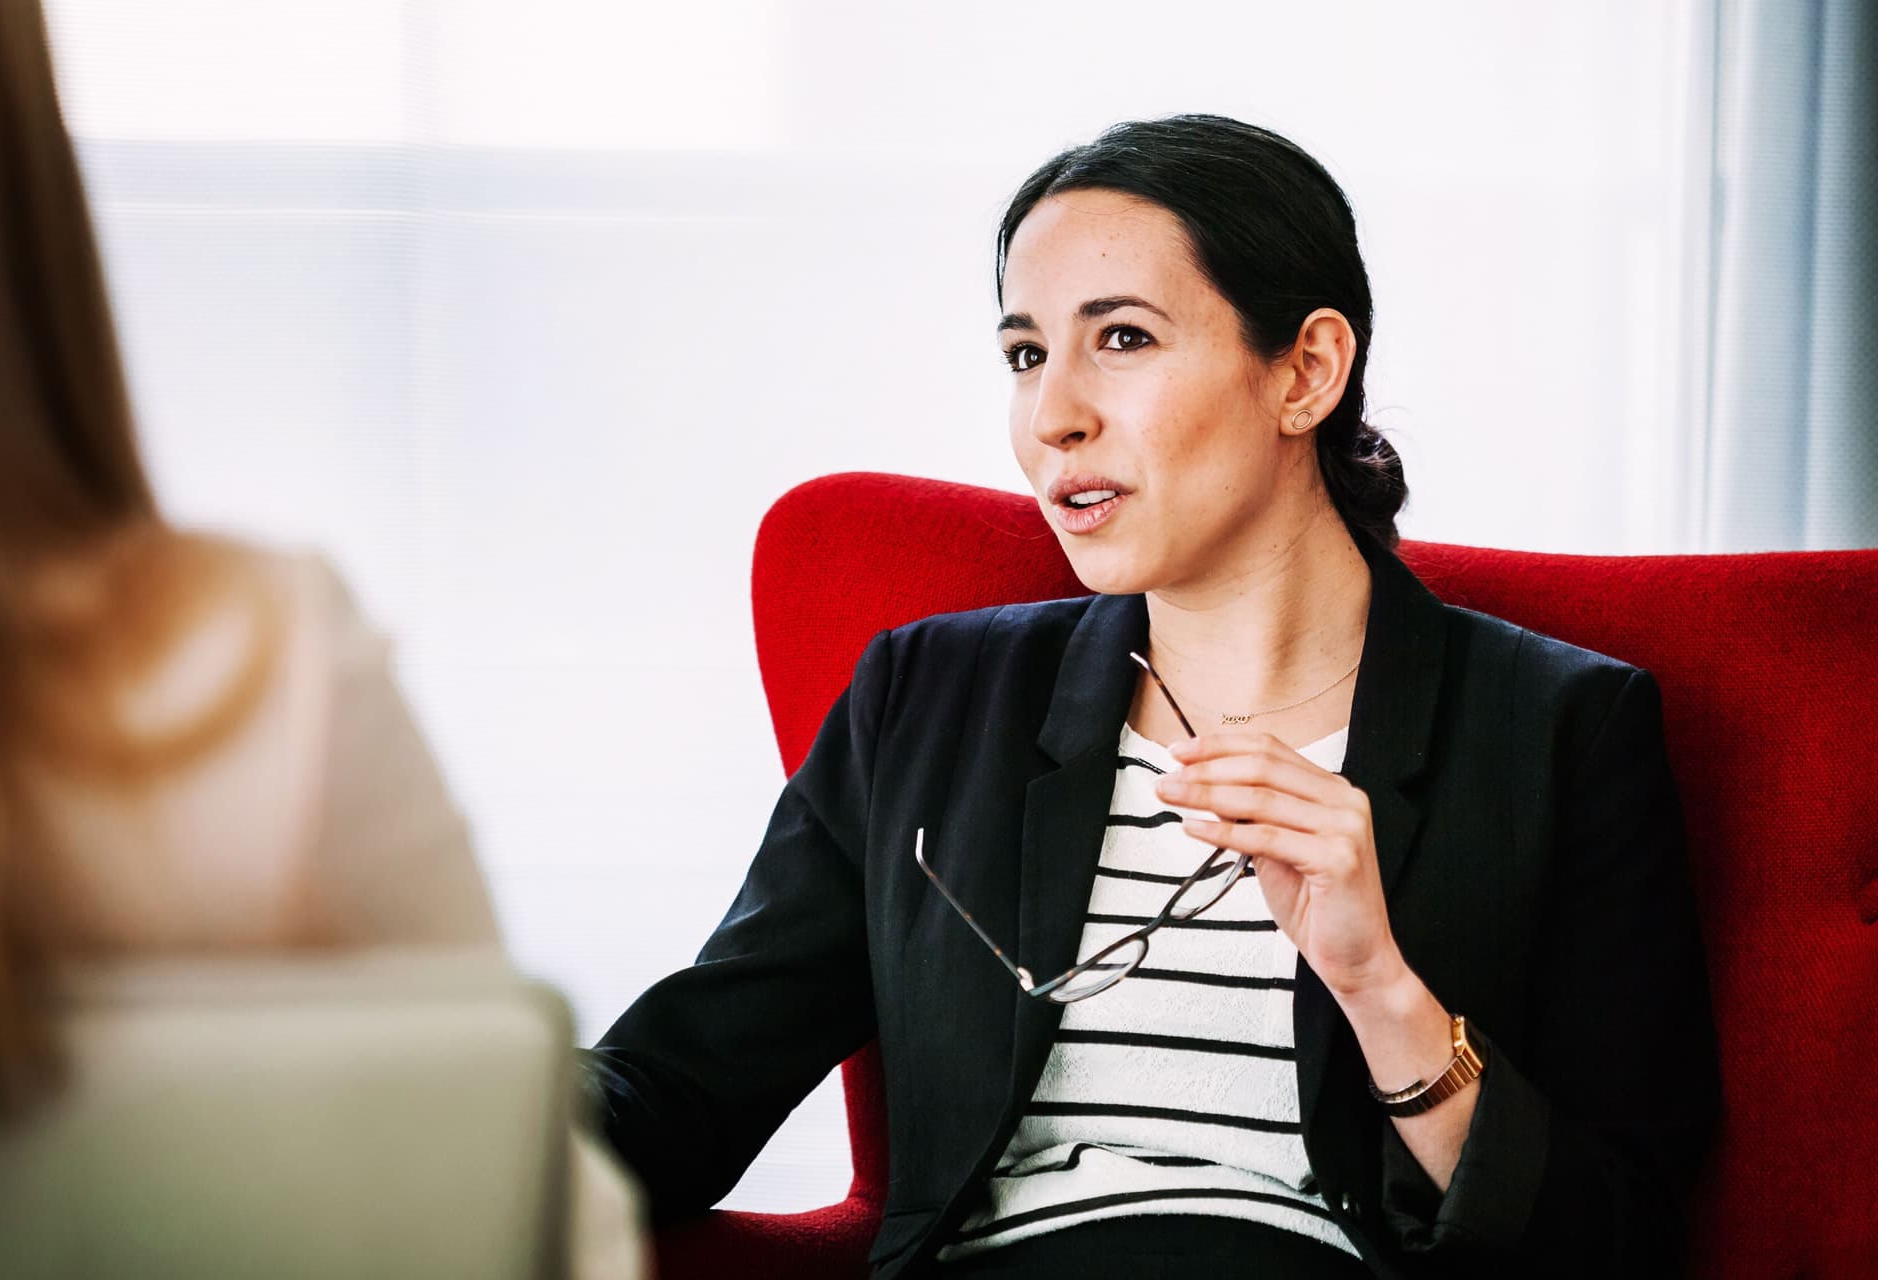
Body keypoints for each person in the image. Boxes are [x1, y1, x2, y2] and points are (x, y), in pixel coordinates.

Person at [586, 116, 1719, 1277]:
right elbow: (684, 1081)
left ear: (1306, 371)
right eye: (1026, 354)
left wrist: (1381, 988)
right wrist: (481, 1110)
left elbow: (1619, 1237)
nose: (1053, 416)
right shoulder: (927, 698)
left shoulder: (1558, 731)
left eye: (1122, 337)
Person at [0, 3, 640, 1275]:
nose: (1034, 415)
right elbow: (557, 1210)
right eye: (1017, 350)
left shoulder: (266, 674)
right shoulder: (256, 675)